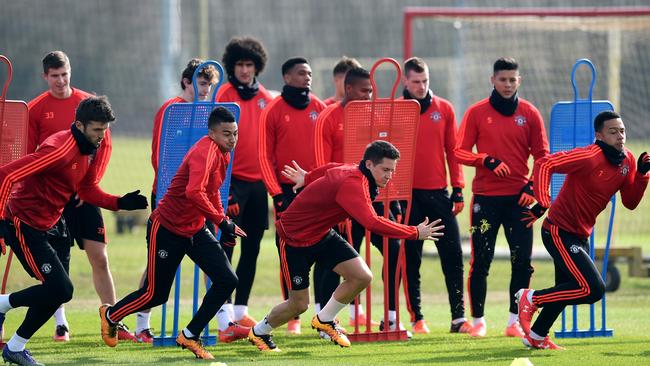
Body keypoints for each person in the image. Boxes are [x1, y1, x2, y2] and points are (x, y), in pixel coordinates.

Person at [248, 140, 444, 352]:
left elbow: (330, 168)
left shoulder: (355, 170)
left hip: (322, 235)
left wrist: (307, 177)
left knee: (362, 276)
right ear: (369, 164)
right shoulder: (353, 184)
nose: (389, 175)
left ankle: (325, 319)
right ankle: (259, 332)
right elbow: (372, 222)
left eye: (392, 170)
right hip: (293, 240)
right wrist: (414, 232)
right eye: (385, 169)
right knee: (299, 304)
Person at [0, 96, 148, 366]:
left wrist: (119, 203)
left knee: (56, 290)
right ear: (79, 125)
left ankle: (13, 338)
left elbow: (87, 189)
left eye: (104, 131)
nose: (102, 137)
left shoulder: (89, 148)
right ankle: (11, 333)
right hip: (23, 222)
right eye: (96, 130)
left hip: (50, 224)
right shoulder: (58, 148)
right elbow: (6, 176)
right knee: (60, 289)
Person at [98, 107, 246, 360]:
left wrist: (224, 223)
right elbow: (194, 192)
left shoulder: (223, 153)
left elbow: (212, 192)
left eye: (235, 133)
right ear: (211, 133)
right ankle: (111, 315)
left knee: (227, 280)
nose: (232, 139)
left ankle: (189, 335)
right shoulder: (204, 152)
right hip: (166, 228)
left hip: (196, 229)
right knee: (156, 294)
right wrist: (221, 222)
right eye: (226, 134)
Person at [25, 50, 136, 342]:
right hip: (51, 199)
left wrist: (90, 186)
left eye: (65, 74)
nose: (61, 81)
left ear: (70, 72)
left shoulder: (88, 105)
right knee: (57, 263)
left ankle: (113, 320)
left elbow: (105, 146)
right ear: (45, 77)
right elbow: (29, 156)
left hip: (84, 195)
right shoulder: (35, 109)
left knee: (99, 257)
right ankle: (61, 322)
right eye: (54, 76)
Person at [516, 110, 649, 349]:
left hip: (580, 234)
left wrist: (641, 176)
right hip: (558, 231)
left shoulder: (627, 160)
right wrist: (543, 202)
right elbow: (545, 164)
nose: (620, 136)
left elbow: (630, 202)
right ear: (599, 135)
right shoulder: (590, 156)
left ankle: (536, 336)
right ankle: (531, 298)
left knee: (567, 289)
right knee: (592, 289)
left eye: (622, 131)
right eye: (613, 132)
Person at [455, 57, 549, 338]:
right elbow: (459, 152)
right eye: (502, 79)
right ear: (492, 80)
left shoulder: (530, 113)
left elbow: (543, 157)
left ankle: (514, 322)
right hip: (485, 201)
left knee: (522, 262)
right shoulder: (476, 112)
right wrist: (485, 160)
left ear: (519, 81)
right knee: (480, 261)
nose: (507, 84)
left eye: (512, 80)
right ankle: (479, 321)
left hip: (519, 203)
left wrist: (532, 187)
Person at [133, 58, 218, 343]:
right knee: (158, 262)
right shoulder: (171, 109)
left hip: (199, 195)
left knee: (212, 256)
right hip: (170, 196)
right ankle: (141, 322)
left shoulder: (209, 113)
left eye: (209, 84)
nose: (205, 89)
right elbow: (160, 156)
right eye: (201, 83)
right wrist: (175, 190)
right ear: (186, 82)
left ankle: (222, 318)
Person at [313, 66, 398, 331]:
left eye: (371, 91)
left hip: (374, 199)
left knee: (395, 248)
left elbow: (386, 161)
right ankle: (325, 316)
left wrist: (391, 197)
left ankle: (392, 315)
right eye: (364, 91)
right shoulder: (329, 116)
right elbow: (322, 165)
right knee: (337, 259)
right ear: (348, 89)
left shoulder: (377, 117)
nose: (368, 96)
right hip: (342, 202)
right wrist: (331, 206)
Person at [401, 57, 470, 334]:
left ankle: (458, 319)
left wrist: (459, 188)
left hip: (439, 195)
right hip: (406, 197)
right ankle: (417, 318)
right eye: (416, 81)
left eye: (425, 81)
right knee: (410, 259)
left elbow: (453, 152)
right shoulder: (396, 110)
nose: (421, 86)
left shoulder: (445, 109)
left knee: (452, 255)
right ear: (405, 81)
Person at [258, 57, 326, 334]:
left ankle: (323, 313)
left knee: (324, 249)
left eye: (309, 73)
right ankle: (293, 316)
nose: (307, 77)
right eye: (301, 73)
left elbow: (325, 151)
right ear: (287, 77)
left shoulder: (319, 107)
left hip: (315, 189)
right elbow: (264, 156)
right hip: (286, 193)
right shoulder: (272, 110)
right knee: (289, 251)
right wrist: (276, 194)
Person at [214, 37, 273, 336]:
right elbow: (214, 143)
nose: (245, 70)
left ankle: (241, 311)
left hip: (258, 184)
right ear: (231, 66)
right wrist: (225, 187)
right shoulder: (223, 94)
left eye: (249, 65)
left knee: (253, 249)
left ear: (257, 67)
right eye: (240, 64)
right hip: (231, 183)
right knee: (226, 249)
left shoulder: (265, 97)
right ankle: (223, 317)